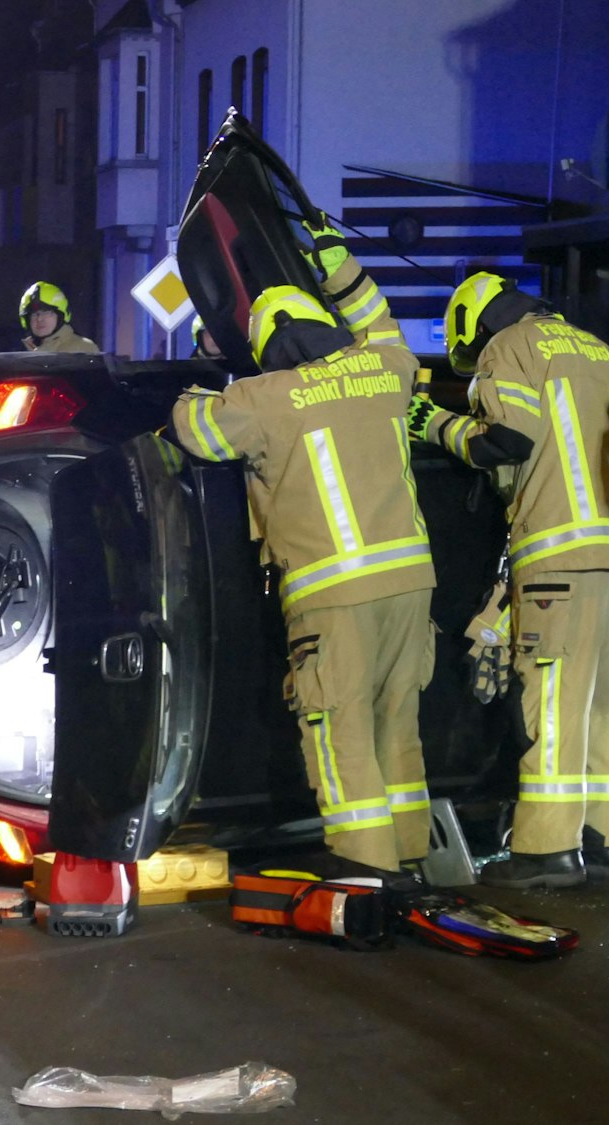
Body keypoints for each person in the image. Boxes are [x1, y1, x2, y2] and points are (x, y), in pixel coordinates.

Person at [167, 219, 433, 872]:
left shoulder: (261, 398)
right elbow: (381, 324)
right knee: (397, 730)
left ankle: (367, 877)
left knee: (341, 742)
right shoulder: (385, 370)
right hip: (410, 589)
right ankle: (411, 863)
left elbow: (194, 429)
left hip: (332, 597)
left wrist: (189, 388)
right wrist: (342, 270)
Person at [413, 271, 609, 890]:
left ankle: (547, 851)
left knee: (550, 707)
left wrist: (430, 423)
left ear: (476, 325)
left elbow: (505, 440)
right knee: (605, 707)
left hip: (556, 557)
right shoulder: (596, 349)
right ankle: (604, 841)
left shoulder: (510, 348)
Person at [20, 282, 100, 354]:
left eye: (46, 312)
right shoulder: (22, 352)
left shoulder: (83, 348)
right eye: (34, 314)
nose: (39, 319)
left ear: (60, 316)